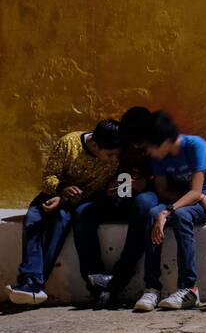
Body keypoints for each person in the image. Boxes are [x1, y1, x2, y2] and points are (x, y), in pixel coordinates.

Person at [7, 119, 122, 305]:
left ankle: (34, 284)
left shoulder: (114, 159)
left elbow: (102, 188)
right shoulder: (68, 144)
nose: (114, 160)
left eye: (117, 155)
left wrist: (110, 190)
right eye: (110, 155)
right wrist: (61, 190)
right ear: (94, 144)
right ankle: (31, 282)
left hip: (82, 201)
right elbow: (47, 177)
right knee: (33, 220)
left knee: (60, 222)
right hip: (55, 192)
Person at [127, 111, 206, 312]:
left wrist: (170, 211)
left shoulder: (196, 146)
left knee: (180, 216)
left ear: (163, 142)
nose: (148, 153)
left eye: (150, 147)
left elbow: (197, 191)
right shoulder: (160, 158)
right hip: (182, 198)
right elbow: (163, 191)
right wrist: (164, 211)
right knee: (153, 213)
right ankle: (152, 288)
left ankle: (189, 288)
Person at [72, 106, 154, 299]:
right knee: (84, 212)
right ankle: (94, 276)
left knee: (143, 205)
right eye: (131, 142)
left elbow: (169, 179)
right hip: (122, 193)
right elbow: (113, 170)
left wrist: (148, 183)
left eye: (138, 142)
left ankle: (121, 275)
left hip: (150, 195)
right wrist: (111, 187)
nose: (134, 146)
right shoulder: (119, 143)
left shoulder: (159, 144)